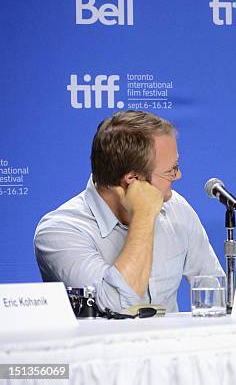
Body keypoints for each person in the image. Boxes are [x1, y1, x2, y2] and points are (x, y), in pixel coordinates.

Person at [34, 111, 223, 313]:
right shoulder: (60, 231)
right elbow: (116, 306)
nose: (178, 175)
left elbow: (214, 288)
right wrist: (143, 215)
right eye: (171, 170)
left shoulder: (176, 208)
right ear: (133, 180)